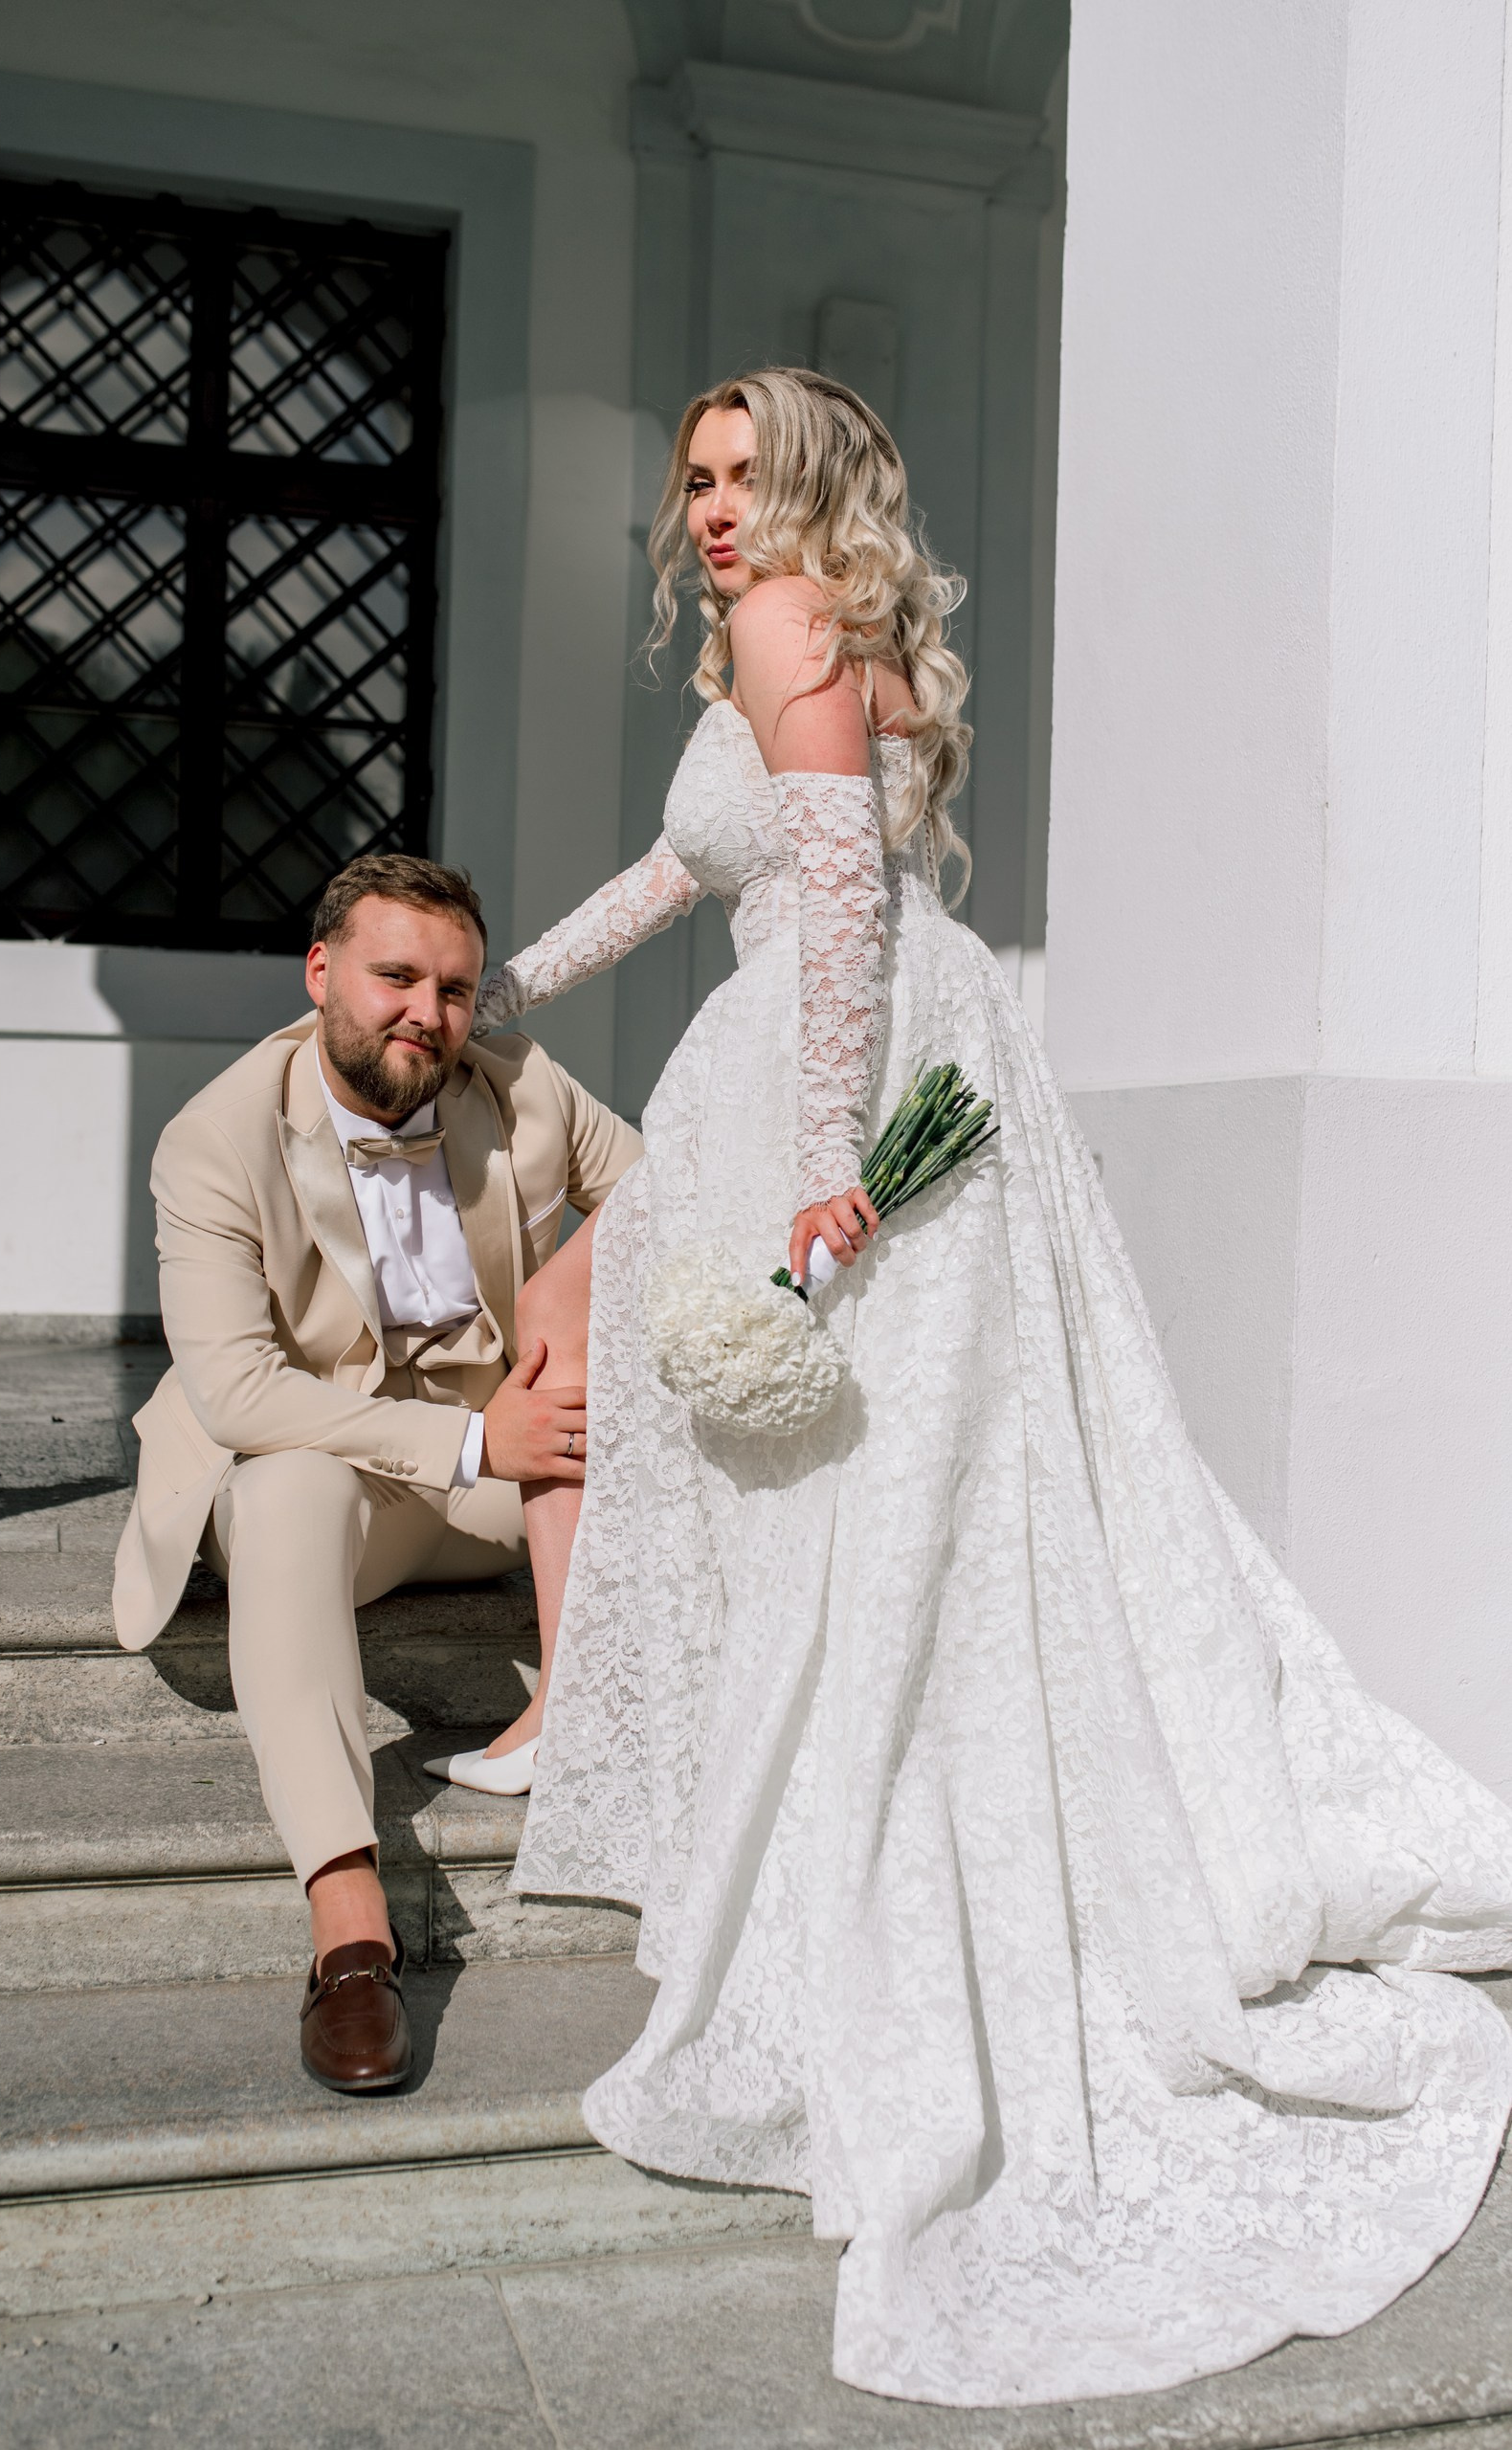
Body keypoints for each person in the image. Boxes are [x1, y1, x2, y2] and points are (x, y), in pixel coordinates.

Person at [453, 368, 1512, 2407]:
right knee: (883, 1493)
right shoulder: (806, 637)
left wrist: (829, 1183)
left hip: (831, 1075)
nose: (706, 510)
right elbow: (693, 874)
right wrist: (526, 981)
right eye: (688, 480)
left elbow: (837, 910)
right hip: (848, 1047)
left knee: (851, 1482)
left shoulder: (789, 631)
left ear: (821, 488)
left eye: (744, 476)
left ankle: (813, 1837)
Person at [111, 853, 639, 2093]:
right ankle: (351, 1929)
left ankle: (609, 1722)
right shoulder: (220, 1138)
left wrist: (565, 1287)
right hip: (320, 1479)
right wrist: (469, 1443)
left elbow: (669, 1190)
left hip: (480, 1477)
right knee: (287, 1479)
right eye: (396, 975)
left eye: (455, 988)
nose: (428, 1012)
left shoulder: (523, 1088)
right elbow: (239, 1391)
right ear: (321, 972)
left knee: (593, 1387)